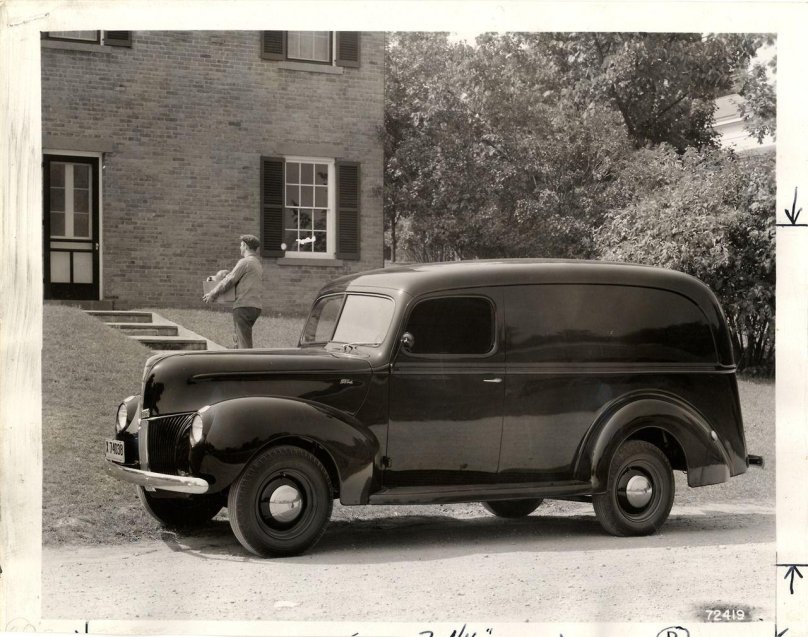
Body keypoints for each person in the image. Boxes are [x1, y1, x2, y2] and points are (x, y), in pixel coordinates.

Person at [202, 234, 263, 349]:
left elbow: (229, 280)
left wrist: (212, 294)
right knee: (240, 341)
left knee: (243, 345)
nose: (240, 247)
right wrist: (214, 279)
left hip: (243, 307)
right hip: (255, 307)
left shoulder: (245, 262)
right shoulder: (257, 264)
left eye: (241, 245)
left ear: (245, 245)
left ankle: (246, 365)